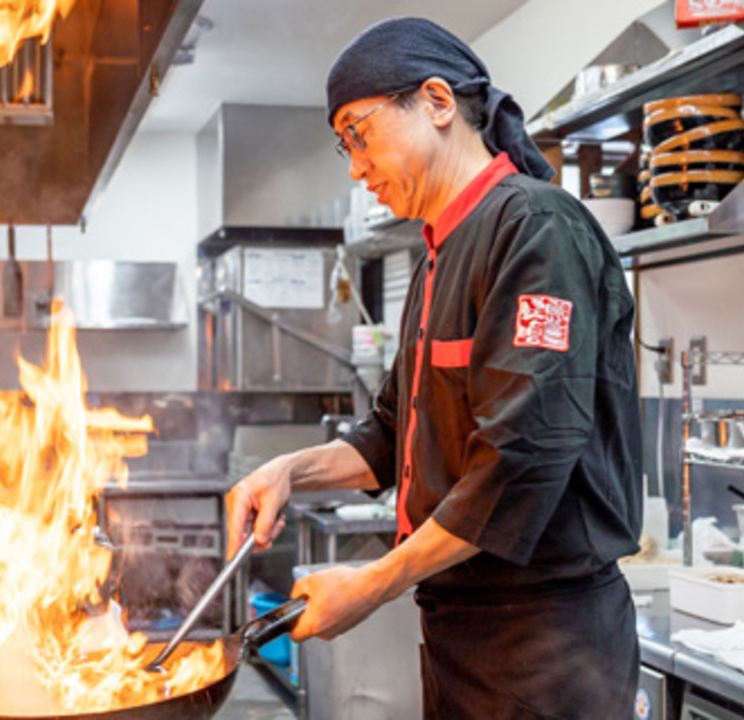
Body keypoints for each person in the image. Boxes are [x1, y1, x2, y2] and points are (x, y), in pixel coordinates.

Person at [225, 17, 643, 719]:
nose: (355, 166)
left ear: (438, 102)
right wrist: (289, 472)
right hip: (460, 631)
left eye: (360, 134)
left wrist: (375, 582)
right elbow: (394, 432)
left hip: (544, 644)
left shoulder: (538, 229)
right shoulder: (435, 257)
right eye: (344, 146)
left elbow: (524, 461)